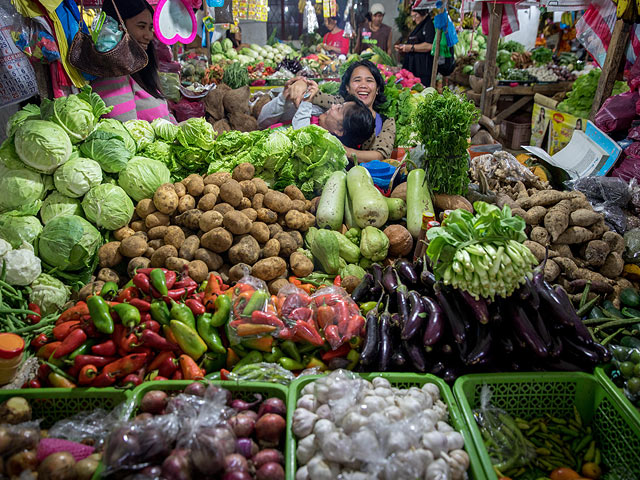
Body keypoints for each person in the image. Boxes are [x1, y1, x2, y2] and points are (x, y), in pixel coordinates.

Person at [91, 0, 175, 123]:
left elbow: (167, 116)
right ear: (118, 27)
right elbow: (127, 132)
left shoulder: (141, 71)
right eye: (141, 26)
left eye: (150, 28)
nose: (149, 36)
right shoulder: (112, 76)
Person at [305, 59, 396, 163]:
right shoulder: (338, 104)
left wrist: (342, 150)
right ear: (347, 87)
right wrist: (301, 84)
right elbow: (312, 94)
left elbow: (380, 155)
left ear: (377, 89)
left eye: (369, 80)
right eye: (357, 80)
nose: (363, 85)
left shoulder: (385, 122)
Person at [257, 79, 374, 149]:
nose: (333, 106)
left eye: (339, 109)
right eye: (339, 105)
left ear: (340, 131)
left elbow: (302, 139)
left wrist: (306, 102)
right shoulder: (316, 111)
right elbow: (262, 121)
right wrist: (284, 97)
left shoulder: (326, 145)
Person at [395, 0, 435, 87]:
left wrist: (411, 47)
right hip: (416, 68)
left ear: (423, 12)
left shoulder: (429, 25)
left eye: (415, 15)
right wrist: (404, 47)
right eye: (412, 16)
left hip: (423, 70)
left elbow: (430, 45)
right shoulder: (420, 25)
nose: (413, 19)